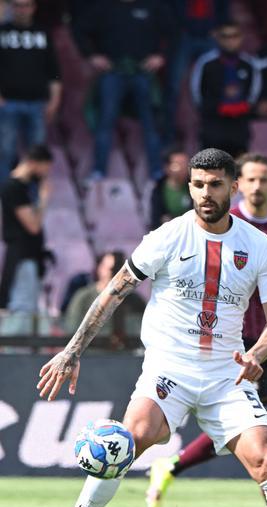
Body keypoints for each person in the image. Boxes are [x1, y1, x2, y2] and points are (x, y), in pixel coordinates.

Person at [33, 148, 267, 507]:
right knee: (127, 439)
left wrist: (256, 353)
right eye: (198, 185)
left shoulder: (257, 245)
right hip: (169, 368)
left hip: (226, 373)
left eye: (215, 184)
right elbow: (113, 293)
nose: (205, 193)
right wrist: (72, 350)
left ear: (232, 187)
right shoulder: (165, 237)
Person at [145, 152, 267, 507]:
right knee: (256, 419)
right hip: (227, 339)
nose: (257, 186)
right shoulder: (222, 221)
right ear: (239, 186)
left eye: (263, 179)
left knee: (262, 419)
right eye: (251, 179)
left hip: (265, 335)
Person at [73, 0, 173, 182]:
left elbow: (172, 32)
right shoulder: (103, 7)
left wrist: (160, 55)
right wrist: (91, 55)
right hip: (113, 72)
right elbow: (79, 30)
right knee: (105, 124)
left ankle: (157, 172)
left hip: (143, 73)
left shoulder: (152, 6)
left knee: (151, 124)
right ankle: (98, 171)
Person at [0, 0, 61, 177]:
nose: (22, 10)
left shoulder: (43, 33)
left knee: (37, 155)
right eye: (18, 5)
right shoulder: (2, 32)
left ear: (33, 8)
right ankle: (5, 199)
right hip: (8, 103)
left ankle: (34, 200)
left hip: (37, 103)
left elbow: (54, 71)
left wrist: (55, 100)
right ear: (12, 8)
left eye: (26, 5)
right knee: (6, 152)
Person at [190, 21, 261, 158]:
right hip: (213, 125)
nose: (230, 41)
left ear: (241, 38)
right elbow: (196, 93)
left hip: (239, 126)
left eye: (234, 36)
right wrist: (212, 109)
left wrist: (243, 108)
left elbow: (254, 93)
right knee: (211, 172)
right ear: (218, 38)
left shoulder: (249, 64)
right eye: (225, 36)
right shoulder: (206, 62)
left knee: (238, 172)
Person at [163, 0, 229, 144]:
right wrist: (177, 28)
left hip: (210, 34)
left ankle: (214, 136)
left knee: (216, 86)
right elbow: (167, 6)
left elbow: (224, 6)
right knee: (173, 87)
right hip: (183, 35)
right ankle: (169, 138)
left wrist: (218, 27)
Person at [0, 144, 51, 320]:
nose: (44, 174)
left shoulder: (25, 187)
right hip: (22, 258)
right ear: (34, 163)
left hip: (30, 256)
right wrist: (44, 200)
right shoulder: (13, 188)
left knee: (29, 308)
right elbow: (33, 226)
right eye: (44, 168)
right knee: (22, 308)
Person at [63, 250, 146, 341]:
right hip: (93, 352)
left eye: (119, 270)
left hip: (125, 353)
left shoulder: (133, 300)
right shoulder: (84, 297)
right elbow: (72, 328)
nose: (116, 274)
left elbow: (143, 327)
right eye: (111, 269)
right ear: (100, 269)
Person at [149, 147, 193, 230]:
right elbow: (156, 220)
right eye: (178, 165)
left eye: (185, 164)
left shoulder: (196, 187)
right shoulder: (158, 189)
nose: (183, 168)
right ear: (166, 167)